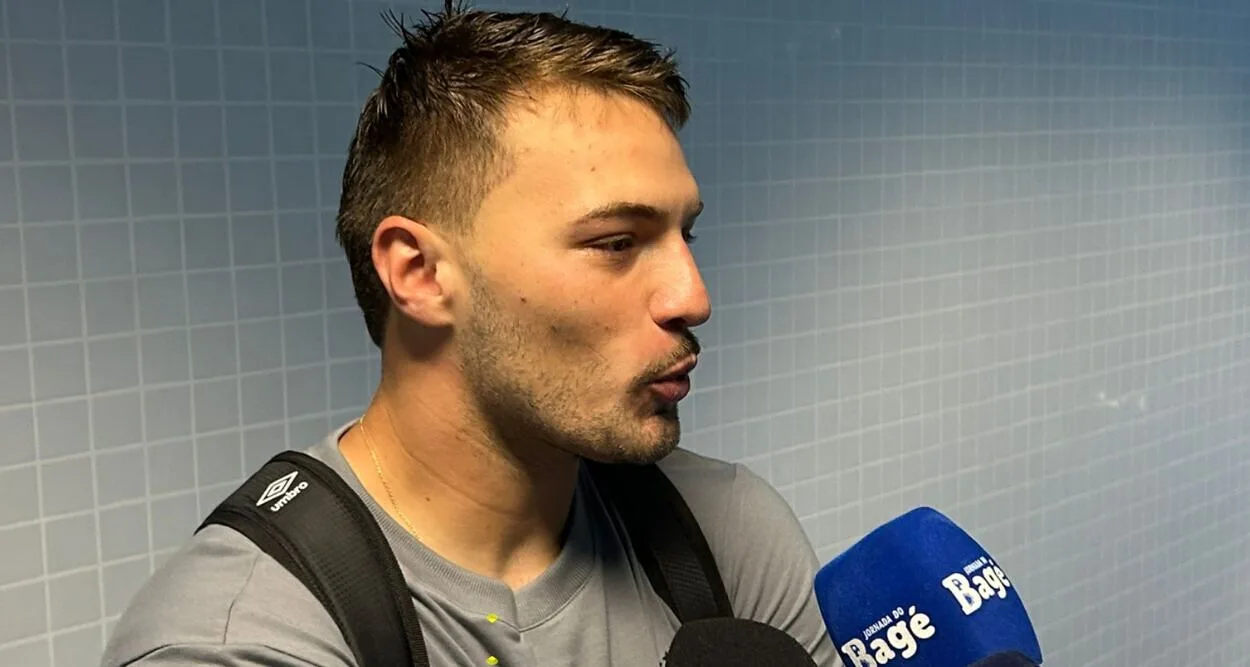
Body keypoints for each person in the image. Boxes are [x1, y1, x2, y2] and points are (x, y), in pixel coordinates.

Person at [101, 3, 837, 665]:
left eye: (687, 235)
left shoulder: (726, 530)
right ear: (419, 273)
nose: (693, 297)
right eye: (616, 242)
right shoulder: (240, 640)